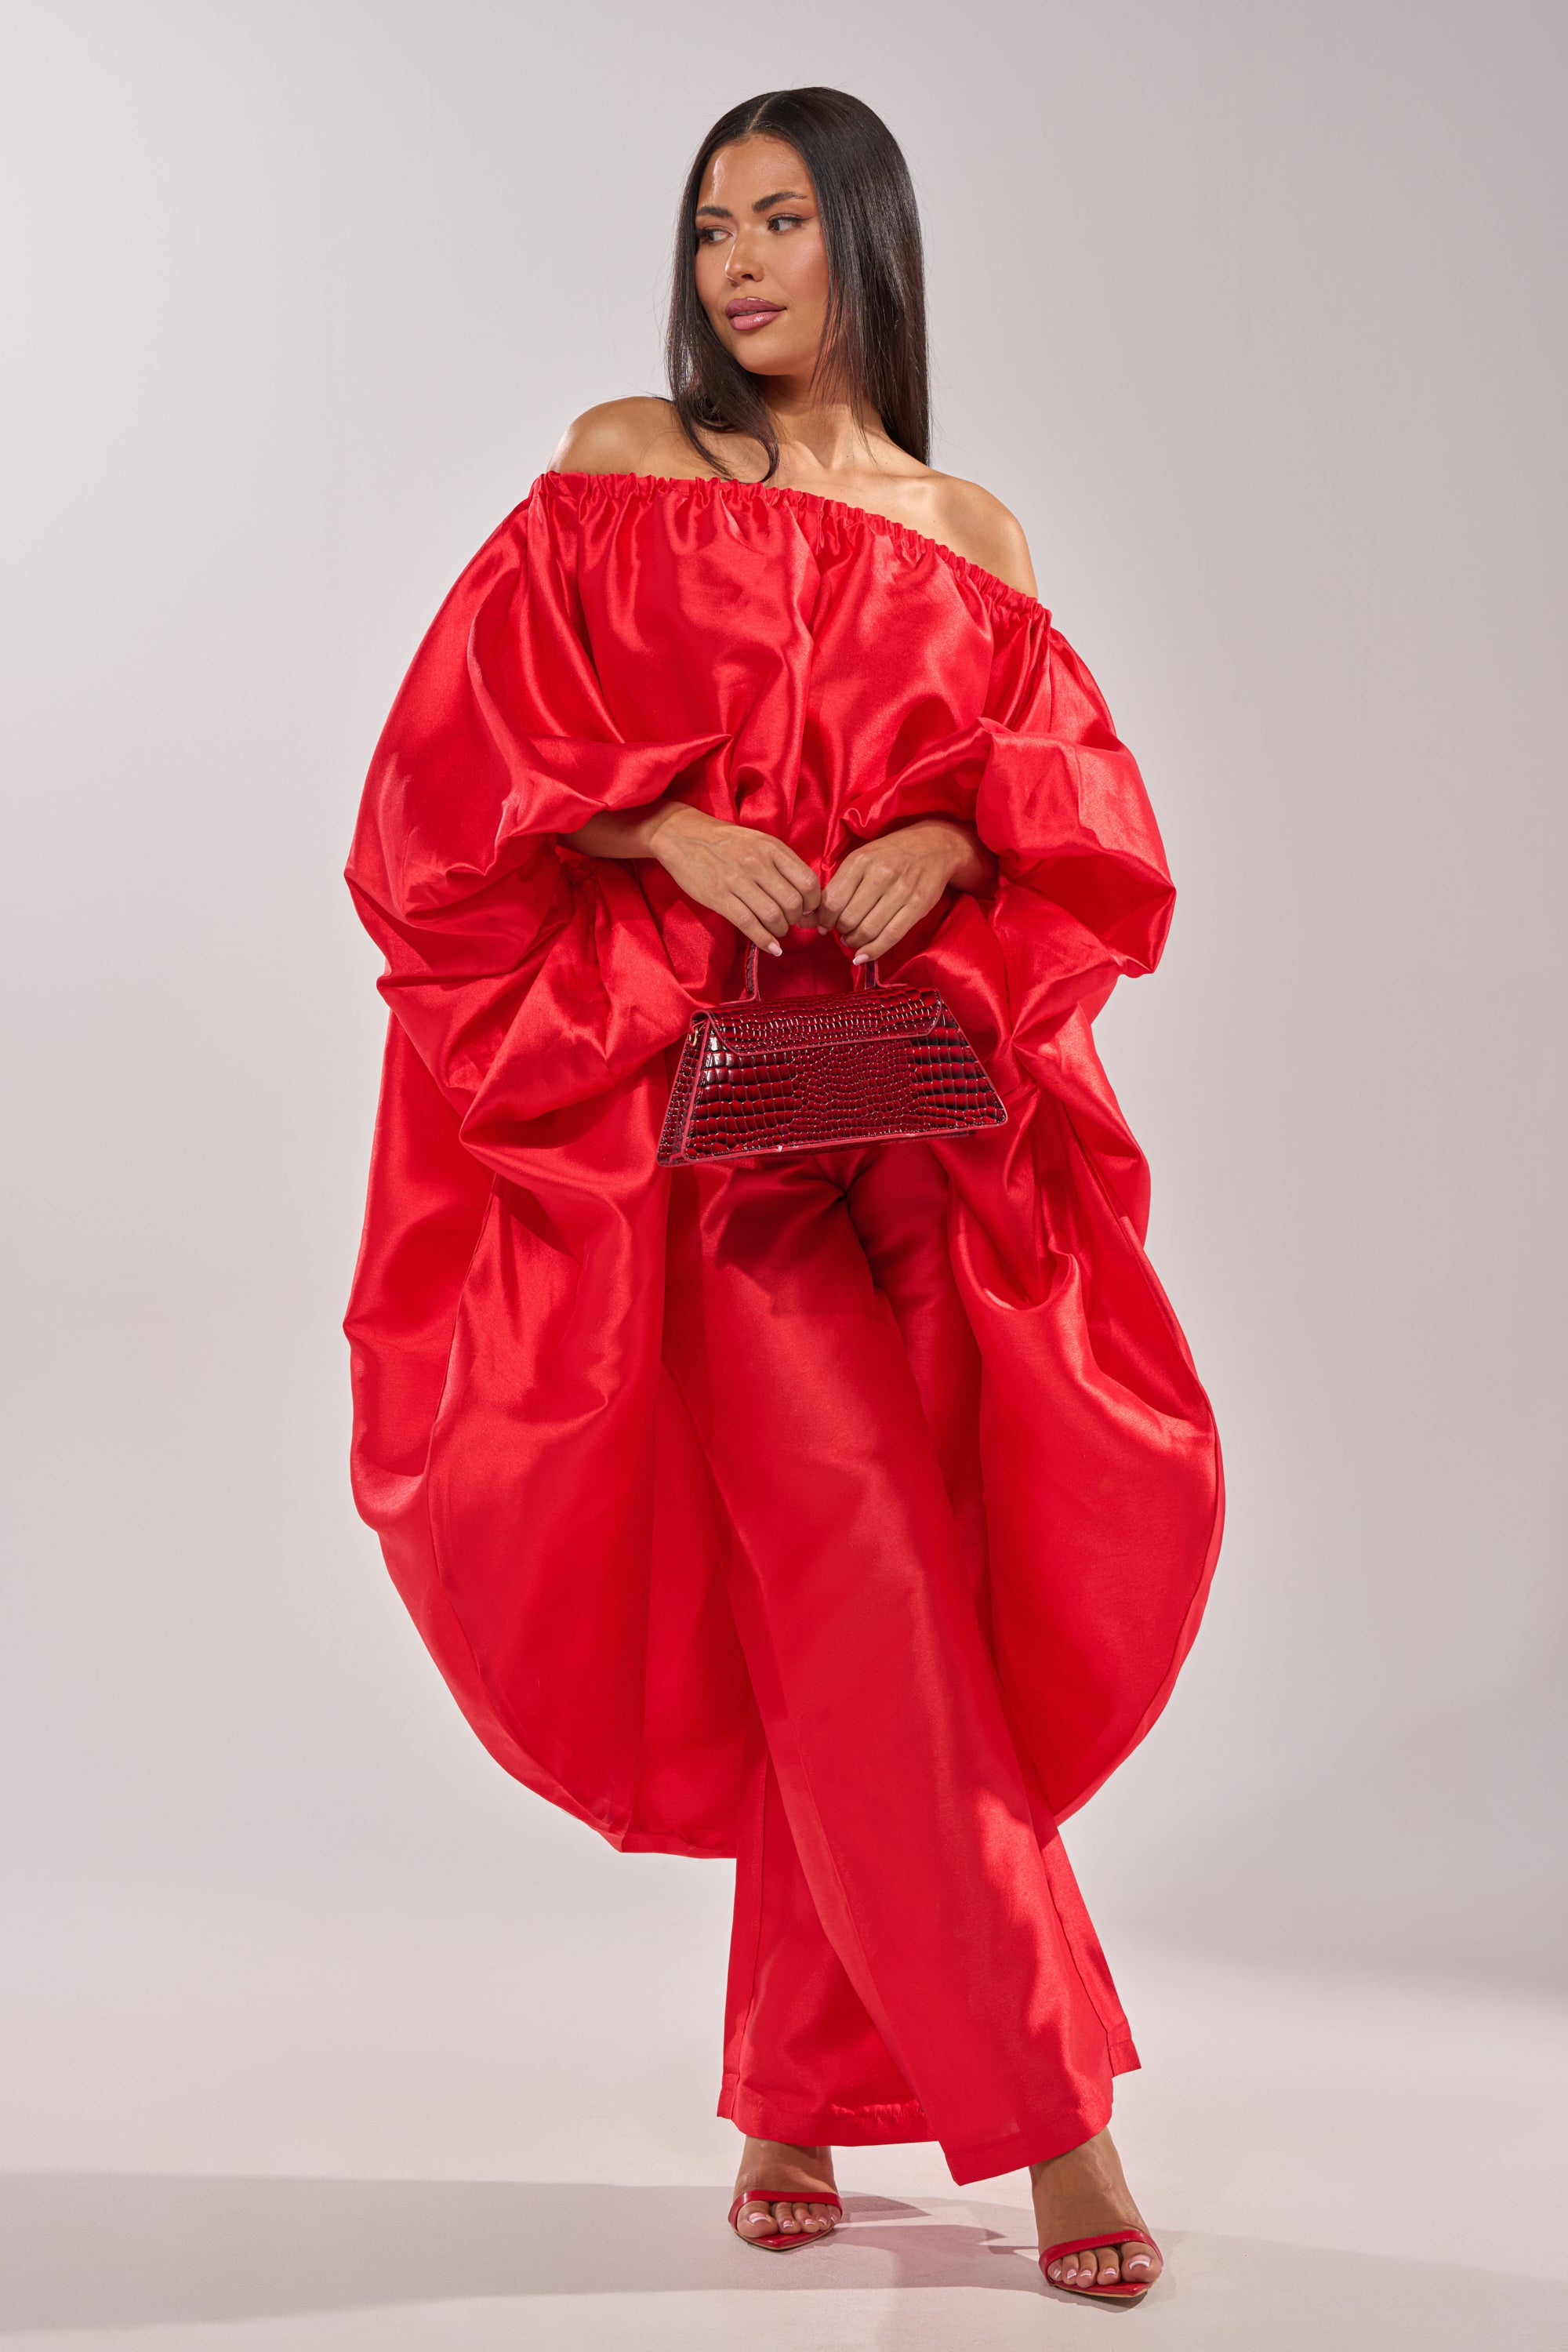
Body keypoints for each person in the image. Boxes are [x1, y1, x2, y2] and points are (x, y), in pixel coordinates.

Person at [345, 85, 1221, 2307]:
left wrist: (954, 849)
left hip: (923, 1112)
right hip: (710, 1123)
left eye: (786, 224)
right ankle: (1061, 2129)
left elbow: (1076, 843)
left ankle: (790, 2081)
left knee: (901, 1582)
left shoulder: (975, 534)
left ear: (871, 250)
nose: (739, 265)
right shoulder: (630, 461)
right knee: (864, 1575)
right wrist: (657, 839)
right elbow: (457, 780)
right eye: (712, 224)